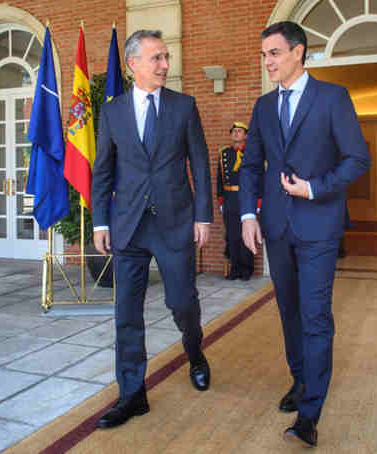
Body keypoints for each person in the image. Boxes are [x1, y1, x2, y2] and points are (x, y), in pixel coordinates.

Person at [240, 21, 370, 447]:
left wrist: (314, 187)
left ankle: (309, 414)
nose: (268, 62)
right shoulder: (262, 107)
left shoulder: (333, 98)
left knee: (315, 317)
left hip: (319, 226)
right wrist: (247, 215)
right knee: (289, 314)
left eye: (274, 53)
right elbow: (250, 165)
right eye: (264, 55)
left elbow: (357, 159)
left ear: (298, 52)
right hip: (277, 227)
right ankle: (300, 381)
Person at [91, 29, 214, 429]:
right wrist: (100, 221)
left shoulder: (184, 106)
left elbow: (199, 162)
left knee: (182, 303)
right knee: (126, 313)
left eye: (166, 57)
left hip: (174, 223)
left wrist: (203, 216)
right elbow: (103, 170)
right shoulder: (113, 111)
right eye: (156, 58)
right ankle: (132, 395)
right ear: (133, 65)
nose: (164, 65)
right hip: (128, 227)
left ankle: (195, 353)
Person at [217, 121, 256, 281]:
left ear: (246, 135)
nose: (236, 134)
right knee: (232, 236)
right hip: (230, 199)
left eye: (239, 131)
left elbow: (259, 179)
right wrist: (221, 201)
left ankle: (247, 269)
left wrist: (258, 203)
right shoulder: (224, 154)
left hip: (247, 199)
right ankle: (235, 269)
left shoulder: (253, 153)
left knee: (246, 235)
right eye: (233, 131)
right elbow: (220, 179)